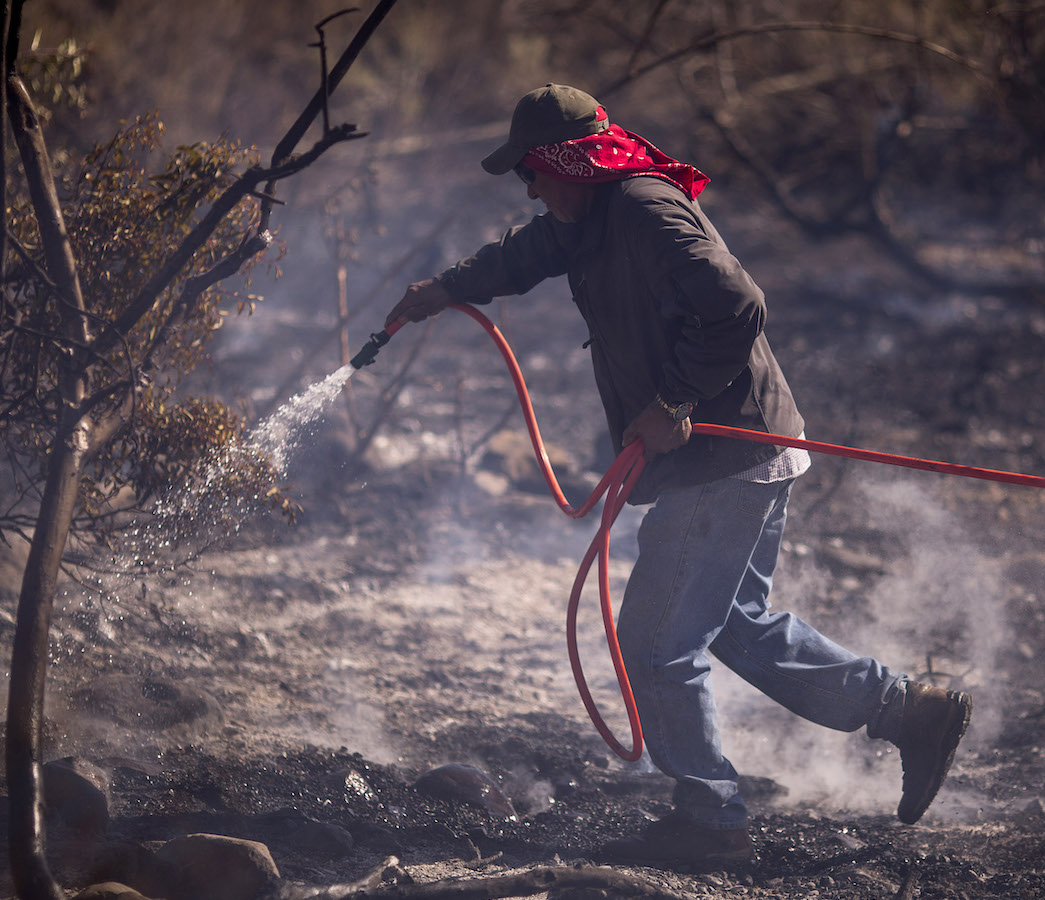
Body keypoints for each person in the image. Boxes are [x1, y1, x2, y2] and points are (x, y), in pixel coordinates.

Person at [386, 84, 972, 868]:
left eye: (533, 171)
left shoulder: (640, 212)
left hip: (724, 453)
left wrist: (674, 403)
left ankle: (710, 818)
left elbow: (738, 306)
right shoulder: (584, 215)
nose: (529, 189)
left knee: (656, 643)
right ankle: (909, 712)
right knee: (733, 626)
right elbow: (524, 253)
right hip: (747, 449)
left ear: (570, 160)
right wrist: (446, 289)